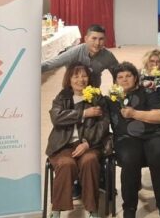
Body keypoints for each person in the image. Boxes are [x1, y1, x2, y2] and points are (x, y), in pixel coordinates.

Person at [107, 62, 160, 218]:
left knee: (159, 153)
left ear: (135, 78)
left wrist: (134, 113)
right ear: (115, 81)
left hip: (152, 135)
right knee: (130, 158)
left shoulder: (148, 91)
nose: (124, 79)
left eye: (128, 75)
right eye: (120, 77)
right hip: (126, 138)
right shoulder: (111, 99)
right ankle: (129, 209)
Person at [46, 63, 110, 218]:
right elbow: (56, 118)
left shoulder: (97, 98)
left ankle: (93, 210)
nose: (80, 79)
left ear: (89, 78)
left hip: (89, 144)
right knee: (65, 164)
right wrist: (84, 113)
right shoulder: (62, 97)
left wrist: (88, 144)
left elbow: (103, 125)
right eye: (76, 76)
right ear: (69, 79)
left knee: (89, 161)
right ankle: (56, 211)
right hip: (63, 145)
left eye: (84, 76)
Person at [41, 24, 118, 87]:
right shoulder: (74, 53)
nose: (97, 43)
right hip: (72, 90)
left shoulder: (108, 56)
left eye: (101, 39)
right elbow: (51, 64)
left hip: (94, 91)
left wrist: (117, 94)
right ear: (86, 39)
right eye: (94, 38)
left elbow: (118, 74)